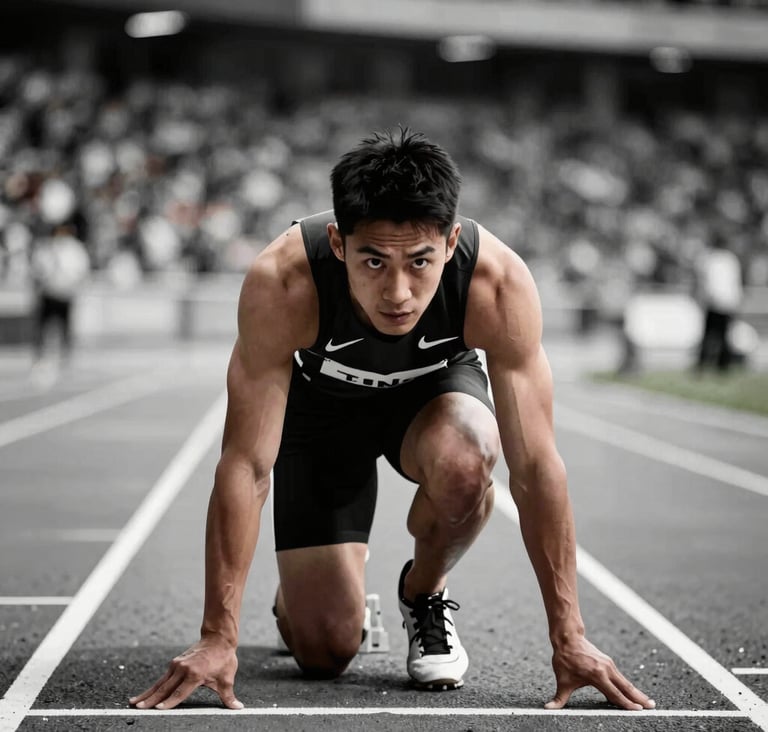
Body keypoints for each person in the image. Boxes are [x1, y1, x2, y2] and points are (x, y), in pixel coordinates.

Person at [130, 129, 655, 712]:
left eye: (420, 261)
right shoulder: (283, 283)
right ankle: (312, 596)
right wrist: (217, 636)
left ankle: (423, 593)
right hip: (322, 415)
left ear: (452, 243)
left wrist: (570, 637)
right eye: (374, 260)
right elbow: (247, 465)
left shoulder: (497, 285)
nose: (398, 292)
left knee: (469, 455)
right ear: (337, 242)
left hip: (433, 401)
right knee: (325, 650)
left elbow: (534, 467)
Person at [29, 222, 90, 366]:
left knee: (65, 327)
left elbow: (81, 270)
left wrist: (72, 284)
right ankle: (40, 355)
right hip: (49, 292)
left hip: (65, 294)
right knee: (43, 326)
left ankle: (65, 356)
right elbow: (37, 270)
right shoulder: (46, 248)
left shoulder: (75, 249)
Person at [694, 234, 743, 372]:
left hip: (716, 301)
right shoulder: (730, 259)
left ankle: (705, 364)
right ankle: (722, 365)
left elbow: (706, 282)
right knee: (723, 335)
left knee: (710, 334)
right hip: (728, 302)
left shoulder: (712, 259)